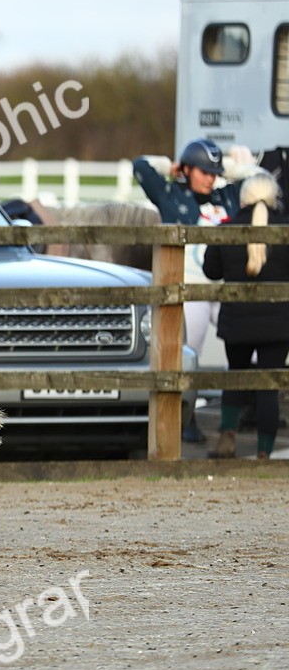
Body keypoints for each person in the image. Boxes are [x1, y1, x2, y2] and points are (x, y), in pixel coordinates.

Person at [134, 138, 244, 442]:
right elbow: (140, 167)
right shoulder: (171, 195)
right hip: (191, 290)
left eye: (214, 172)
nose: (210, 178)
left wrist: (233, 167)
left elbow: (257, 180)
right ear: (188, 169)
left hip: (225, 289)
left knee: (243, 349)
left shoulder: (227, 196)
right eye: (204, 171)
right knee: (189, 356)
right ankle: (187, 417)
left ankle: (234, 418)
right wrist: (170, 166)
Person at [202, 171, 289, 459]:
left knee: (235, 378)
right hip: (278, 324)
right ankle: (264, 451)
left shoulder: (227, 228)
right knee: (267, 386)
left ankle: (227, 440)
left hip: (237, 321)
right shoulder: (285, 229)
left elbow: (211, 272)